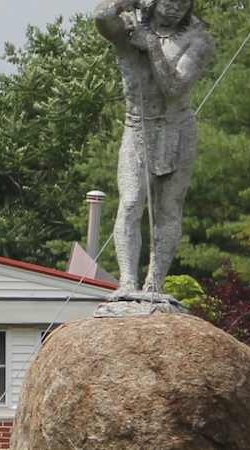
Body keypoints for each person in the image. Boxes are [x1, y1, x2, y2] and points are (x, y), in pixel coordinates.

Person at [94, 0, 215, 301]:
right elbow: (102, 15)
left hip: (177, 127)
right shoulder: (129, 26)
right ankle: (126, 282)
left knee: (169, 209)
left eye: (183, 3)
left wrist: (152, 46)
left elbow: (174, 87)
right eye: (169, 1)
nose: (175, 8)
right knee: (131, 202)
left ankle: (154, 284)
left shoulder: (199, 39)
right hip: (137, 126)